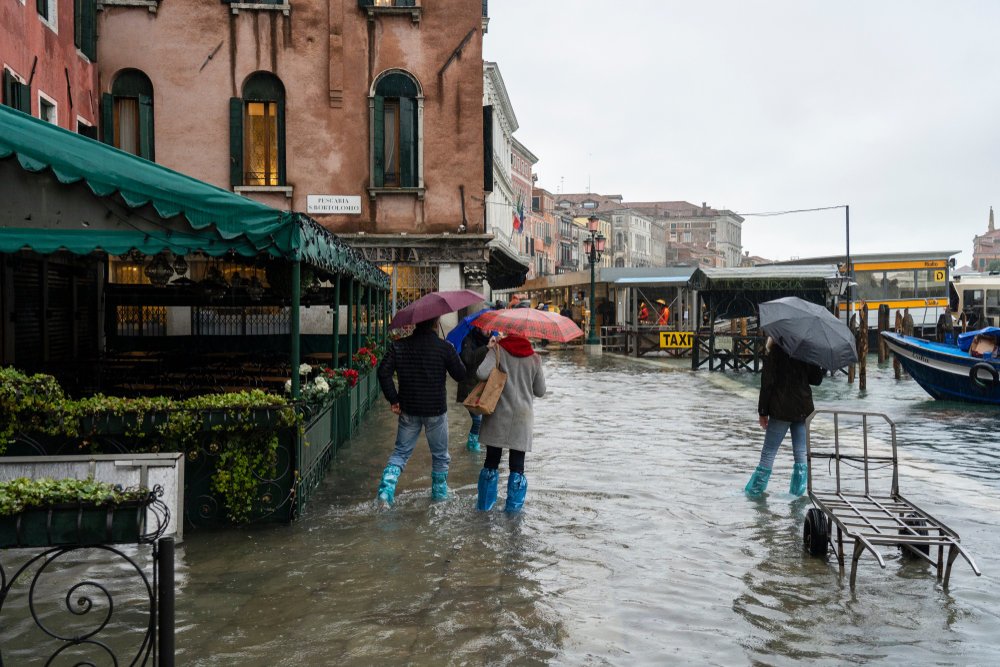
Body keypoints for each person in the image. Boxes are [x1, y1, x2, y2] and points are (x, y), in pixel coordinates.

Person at [375, 316, 466, 505]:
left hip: (408, 409)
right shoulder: (445, 347)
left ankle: (386, 492)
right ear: (436, 323)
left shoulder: (398, 346)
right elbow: (460, 375)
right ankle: (439, 499)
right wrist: (452, 351)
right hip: (436, 411)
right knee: (440, 456)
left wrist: (394, 399)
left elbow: (383, 372)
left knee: (400, 453)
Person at [475, 333, 546, 512]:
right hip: (522, 418)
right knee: (517, 466)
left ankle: (484, 510)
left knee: (491, 461)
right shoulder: (535, 358)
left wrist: (491, 350)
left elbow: (480, 373)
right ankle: (513, 515)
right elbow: (540, 391)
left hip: (497, 415)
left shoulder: (498, 350)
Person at [745, 338, 824, 497]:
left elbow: (767, 384)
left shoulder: (775, 353)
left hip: (781, 409)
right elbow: (816, 380)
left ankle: (754, 493)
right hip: (803, 409)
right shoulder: (806, 352)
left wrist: (762, 412)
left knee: (769, 452)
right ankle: (797, 496)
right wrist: (816, 360)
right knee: (800, 453)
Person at [456, 328, 490, 452]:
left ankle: (476, 443)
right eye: (486, 328)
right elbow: (468, 358)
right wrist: (486, 348)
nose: (489, 330)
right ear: (478, 327)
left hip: (484, 387)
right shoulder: (468, 340)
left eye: (491, 328)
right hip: (469, 387)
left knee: (485, 419)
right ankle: (472, 445)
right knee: (477, 419)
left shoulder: (491, 341)